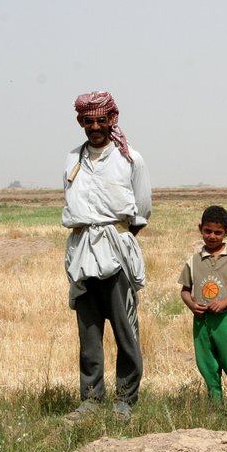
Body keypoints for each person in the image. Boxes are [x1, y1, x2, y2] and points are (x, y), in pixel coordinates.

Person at [62, 91, 152, 421]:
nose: (96, 126)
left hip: (117, 251)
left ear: (111, 120)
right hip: (82, 251)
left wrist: (119, 238)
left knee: (125, 329)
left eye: (102, 120)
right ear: (81, 122)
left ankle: (125, 399)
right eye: (89, 121)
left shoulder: (131, 159)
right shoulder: (72, 159)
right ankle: (91, 398)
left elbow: (142, 210)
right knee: (88, 331)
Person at [178, 206, 227, 417]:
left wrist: (226, 302)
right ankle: (216, 407)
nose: (212, 236)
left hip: (226, 320)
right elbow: (184, 290)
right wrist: (192, 304)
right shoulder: (193, 261)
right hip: (202, 322)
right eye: (208, 231)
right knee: (207, 364)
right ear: (200, 229)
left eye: (218, 232)